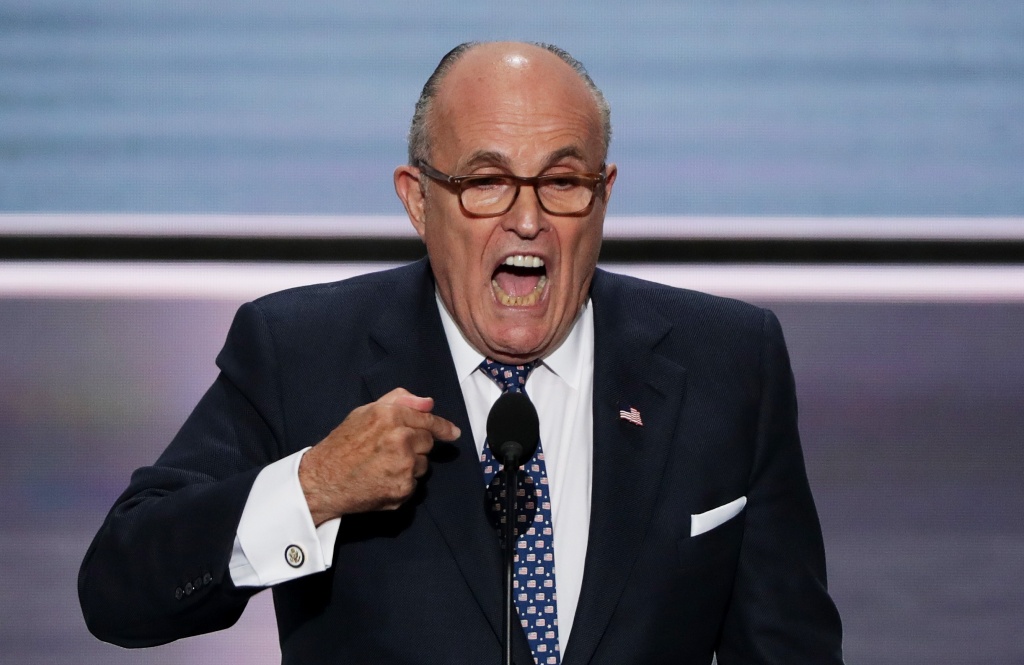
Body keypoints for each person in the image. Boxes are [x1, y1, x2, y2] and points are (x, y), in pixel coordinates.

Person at [79, 41, 843, 664]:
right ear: (417, 199)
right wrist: (311, 487)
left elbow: (789, 647)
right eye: (485, 182)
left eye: (563, 181)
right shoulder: (299, 351)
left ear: (603, 193)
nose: (527, 219)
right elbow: (119, 588)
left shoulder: (730, 362)